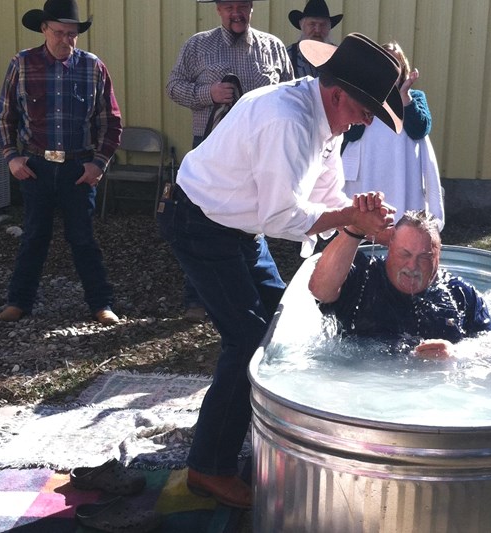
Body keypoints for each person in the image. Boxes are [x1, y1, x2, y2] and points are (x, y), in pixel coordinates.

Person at [157, 32, 404, 509]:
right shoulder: (287, 119)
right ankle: (209, 467)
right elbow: (283, 217)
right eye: (365, 107)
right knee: (246, 339)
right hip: (199, 222)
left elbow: (328, 198)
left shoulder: (328, 120)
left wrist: (372, 224)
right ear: (337, 93)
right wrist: (351, 218)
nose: (368, 117)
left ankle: (256, 430)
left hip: (238, 227)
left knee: (282, 323)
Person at [0, 0, 122, 325]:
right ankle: (19, 302)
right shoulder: (21, 64)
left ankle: (100, 304)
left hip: (78, 170)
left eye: (72, 34)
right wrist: (11, 157)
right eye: (59, 33)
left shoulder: (93, 67)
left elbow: (111, 121)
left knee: (83, 239)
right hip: (35, 167)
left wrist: (99, 164)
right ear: (44, 29)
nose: (66, 40)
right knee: (34, 236)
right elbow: (4, 117)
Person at [166, 0, 294, 322]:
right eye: (229, 6)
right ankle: (197, 296)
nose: (236, 13)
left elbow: (290, 95)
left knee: (251, 220)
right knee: (202, 218)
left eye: (243, 6)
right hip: (211, 150)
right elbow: (173, 87)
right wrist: (208, 93)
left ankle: (251, 290)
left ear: (251, 8)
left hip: (259, 153)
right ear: (219, 9)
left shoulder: (273, 47)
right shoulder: (197, 45)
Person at [309, 211, 491, 359]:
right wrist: (355, 229)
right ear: (389, 248)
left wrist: (458, 353)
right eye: (404, 254)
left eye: (424, 257)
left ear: (438, 255)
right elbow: (320, 290)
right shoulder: (363, 275)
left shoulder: (460, 294)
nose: (412, 266)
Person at [342, 41, 445, 228]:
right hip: (369, 168)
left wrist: (405, 97)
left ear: (403, 69)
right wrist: (368, 99)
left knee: (403, 213)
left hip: (404, 170)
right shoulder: (360, 95)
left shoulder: (416, 97)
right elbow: (351, 134)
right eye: (384, 63)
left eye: (395, 64)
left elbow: (420, 129)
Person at [286, 0, 343, 78]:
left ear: (329, 27)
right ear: (302, 25)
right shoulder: (288, 57)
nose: (317, 30)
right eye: (312, 24)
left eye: (323, 25)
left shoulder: (340, 57)